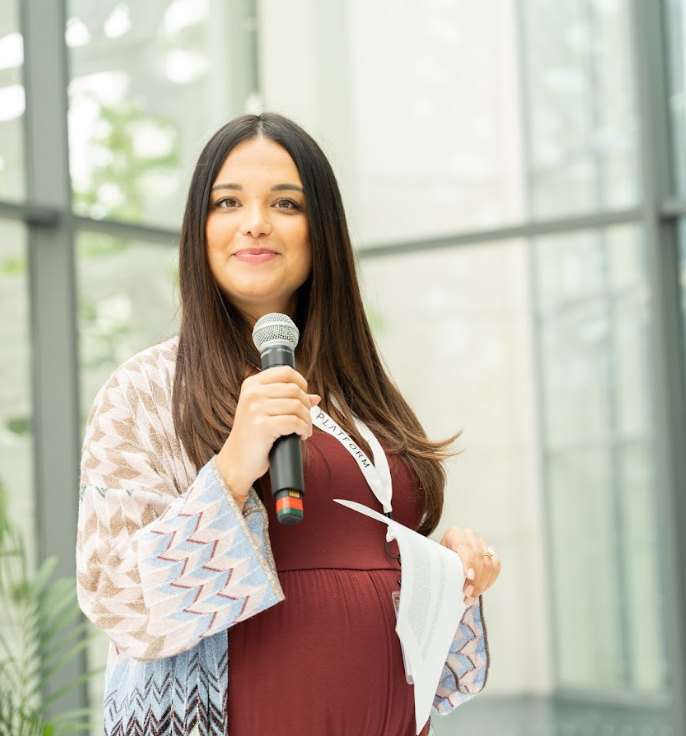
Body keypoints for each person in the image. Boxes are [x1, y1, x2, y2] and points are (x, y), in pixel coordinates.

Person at [76, 112, 500, 736]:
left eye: (285, 202)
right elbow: (115, 593)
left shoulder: (364, 394)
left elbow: (359, 565)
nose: (256, 222)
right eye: (228, 202)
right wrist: (230, 471)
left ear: (320, 230)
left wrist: (446, 571)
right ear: (200, 230)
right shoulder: (145, 391)